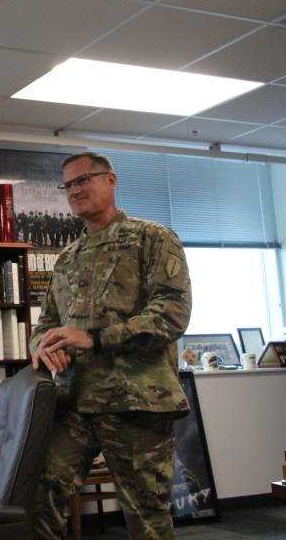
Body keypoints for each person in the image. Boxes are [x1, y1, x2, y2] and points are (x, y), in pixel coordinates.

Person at [29, 152, 192, 540]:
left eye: (84, 179)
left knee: (146, 518)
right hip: (74, 402)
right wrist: (42, 345)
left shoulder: (152, 238)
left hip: (136, 403)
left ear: (111, 180)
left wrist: (95, 338)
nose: (75, 190)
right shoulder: (67, 257)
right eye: (68, 185)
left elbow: (171, 314)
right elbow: (46, 324)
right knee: (38, 499)